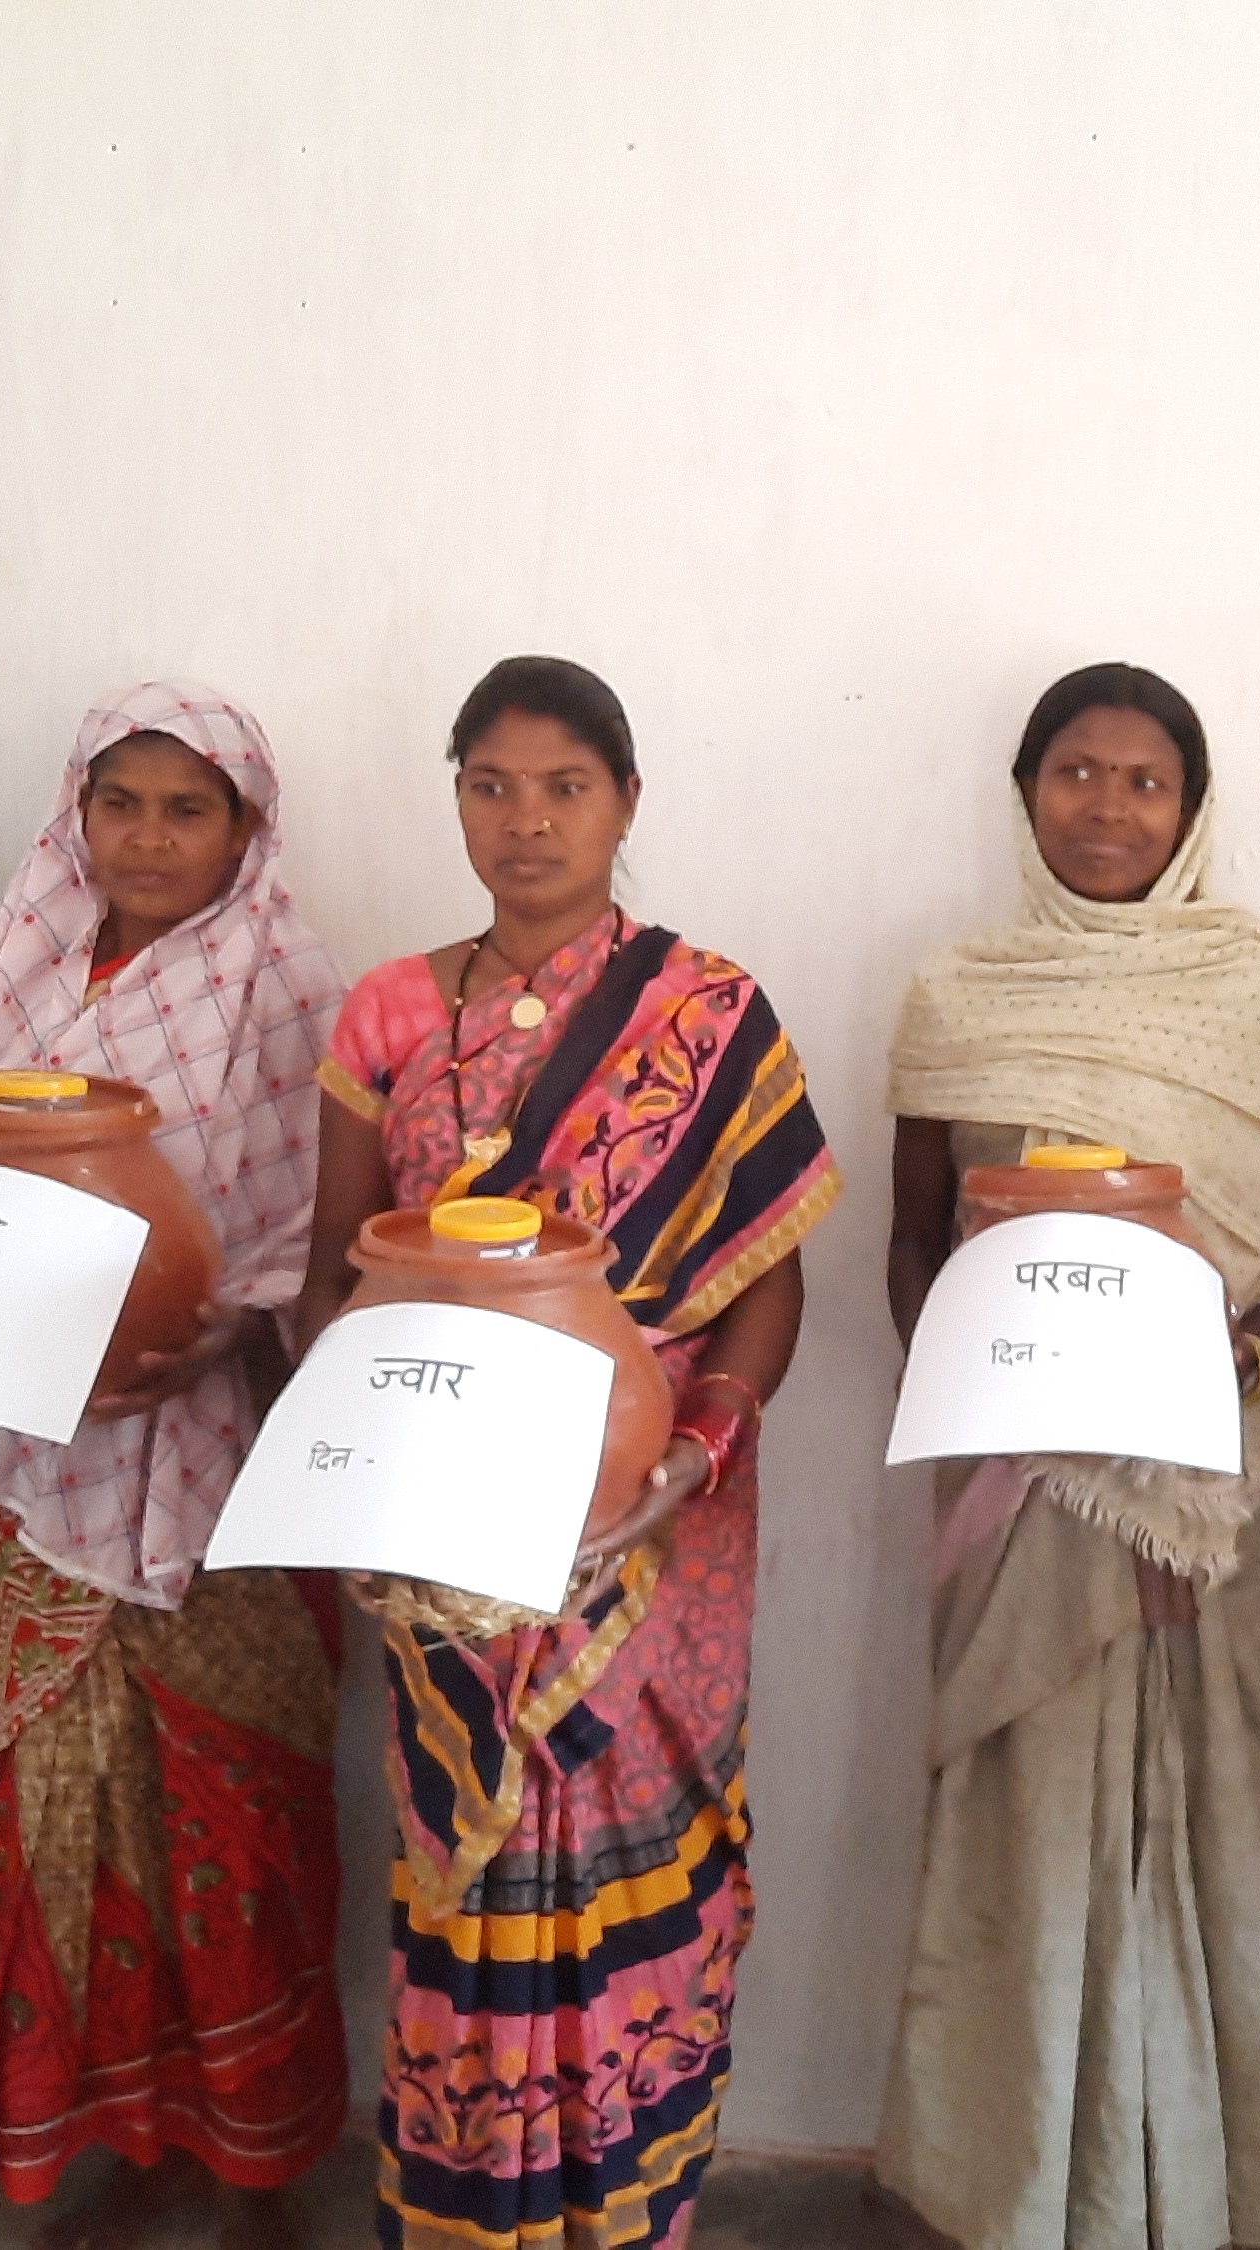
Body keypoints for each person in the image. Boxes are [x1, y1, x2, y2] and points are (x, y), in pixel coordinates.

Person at [299, 655, 839, 2250]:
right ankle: (475, 2216)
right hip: (444, 1523)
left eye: (564, 787)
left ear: (625, 801)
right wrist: (366, 1476)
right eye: (490, 784)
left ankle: (631, 2209)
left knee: (627, 1849)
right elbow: (336, 1265)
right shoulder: (390, 1008)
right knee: (462, 1865)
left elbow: (768, 1282)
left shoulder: (714, 1011)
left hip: (653, 1521)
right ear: (454, 790)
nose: (524, 821)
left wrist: (704, 1449)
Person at [876, 661, 1260, 2250]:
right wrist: (998, 1383)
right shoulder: (959, 992)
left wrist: (1253, 1344)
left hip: (1222, 1496)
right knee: (1025, 1822)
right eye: (1077, 774)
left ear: (1192, 808)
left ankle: (1216, 2201)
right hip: (1026, 1488)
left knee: (1221, 1824)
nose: (1107, 807)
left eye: (1144, 780)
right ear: (1026, 794)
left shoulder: (1248, 993)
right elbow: (912, 1249)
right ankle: (1020, 2193)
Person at [0, 684, 350, 2249]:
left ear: (245, 827)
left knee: (234, 1816)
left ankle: (252, 2172)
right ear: (76, 815)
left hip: (213, 1462)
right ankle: (131, 2143)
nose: (150, 839)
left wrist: (216, 1338)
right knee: (49, 1815)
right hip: (29, 1464)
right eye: (122, 804)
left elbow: (311, 1233)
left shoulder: (286, 983)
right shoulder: (16, 961)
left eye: (189, 808)